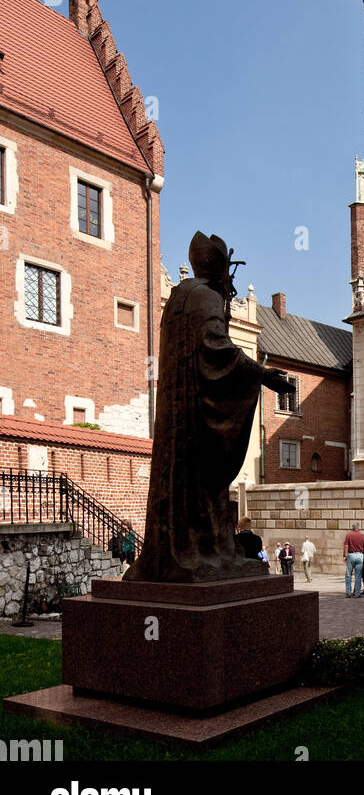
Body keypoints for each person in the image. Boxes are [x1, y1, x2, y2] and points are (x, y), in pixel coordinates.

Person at [124, 232, 290, 583]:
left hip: (175, 417)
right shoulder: (207, 298)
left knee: (186, 484)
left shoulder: (177, 299)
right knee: (206, 482)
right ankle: (205, 554)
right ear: (219, 270)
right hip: (198, 417)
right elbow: (216, 348)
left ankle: (177, 554)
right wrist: (260, 374)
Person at [343, 523, 364, 598]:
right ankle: (357, 593)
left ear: (352, 528)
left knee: (348, 575)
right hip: (360, 555)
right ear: (358, 528)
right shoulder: (363, 536)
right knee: (358, 576)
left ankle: (348, 592)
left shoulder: (348, 535)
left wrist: (344, 555)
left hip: (351, 555)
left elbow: (346, 546)